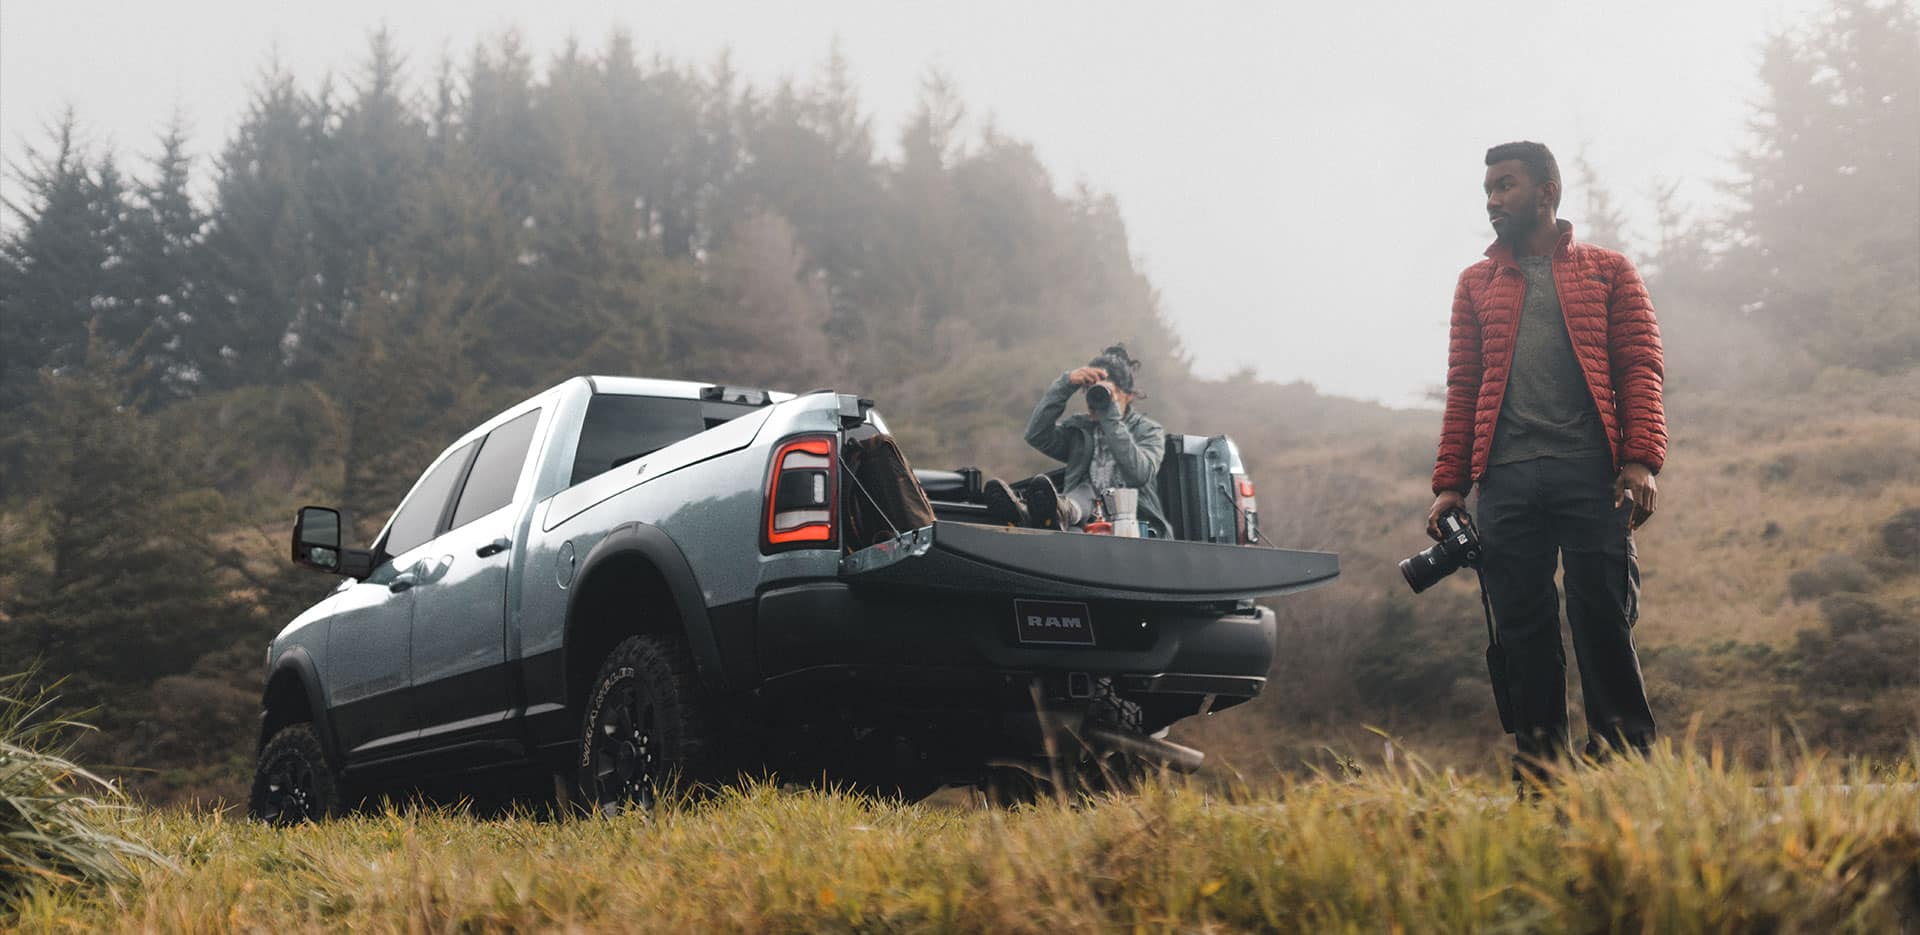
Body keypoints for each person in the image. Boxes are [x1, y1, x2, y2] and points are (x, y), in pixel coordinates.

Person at [1426, 141, 1667, 777]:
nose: (1493, 200)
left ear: (1547, 191)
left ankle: (1625, 772)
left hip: (1591, 474)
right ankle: (1543, 777)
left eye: (1506, 185)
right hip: (1504, 482)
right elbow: (1464, 383)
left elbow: (1638, 366)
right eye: (1488, 189)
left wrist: (1641, 461)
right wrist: (1450, 485)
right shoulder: (1474, 284)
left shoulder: (1609, 270)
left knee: (1603, 623)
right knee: (1522, 636)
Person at [984, 344, 1169, 537]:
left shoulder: (1148, 431)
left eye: (1105, 393)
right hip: (1081, 523)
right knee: (1084, 492)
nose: (1095, 400)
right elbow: (1036, 435)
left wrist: (1110, 417)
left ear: (1128, 396)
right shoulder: (1080, 429)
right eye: (1090, 391)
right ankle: (1042, 513)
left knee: (1088, 492)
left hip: (1133, 527)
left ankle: (1035, 513)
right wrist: (1065, 385)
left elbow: (1139, 474)